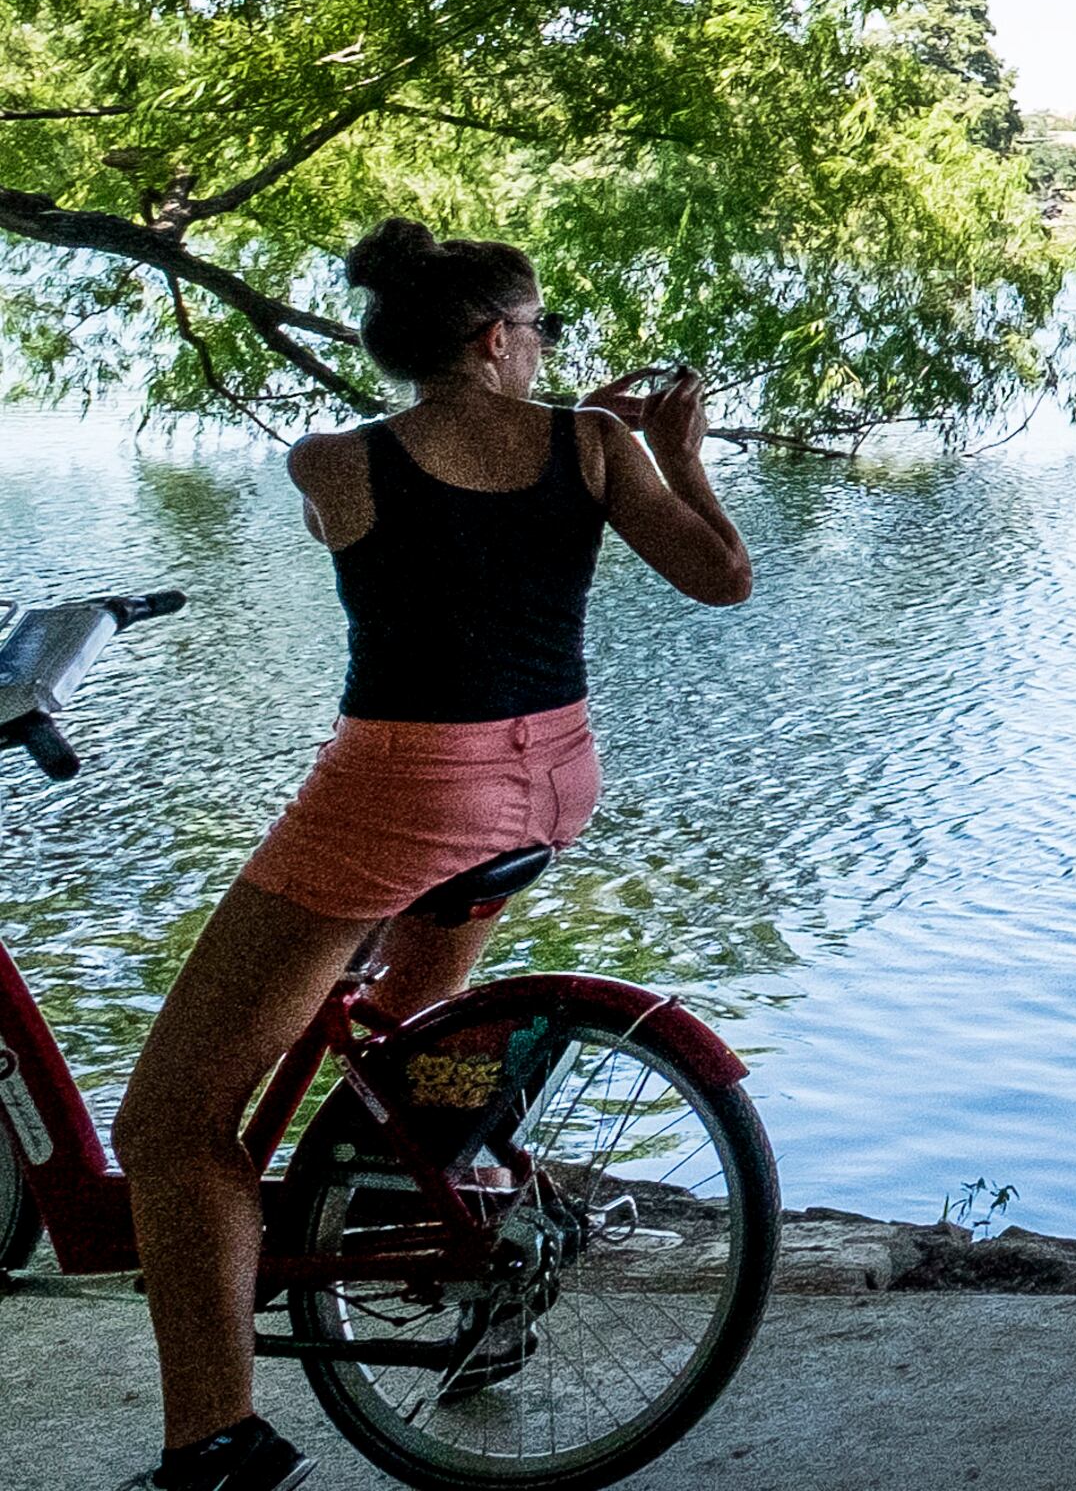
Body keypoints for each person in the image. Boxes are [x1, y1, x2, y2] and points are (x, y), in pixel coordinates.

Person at [107, 218, 752, 1491]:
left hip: (403, 796)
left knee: (171, 1122)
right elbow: (720, 577)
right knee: (406, 1021)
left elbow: (371, 526)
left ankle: (216, 1447)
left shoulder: (332, 460)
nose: (549, 348)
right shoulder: (597, 443)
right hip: (550, 786)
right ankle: (445, 1235)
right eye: (542, 328)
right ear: (496, 337)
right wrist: (677, 460)